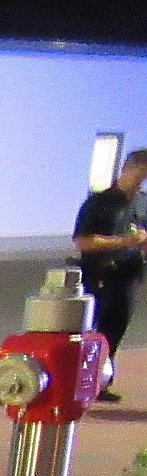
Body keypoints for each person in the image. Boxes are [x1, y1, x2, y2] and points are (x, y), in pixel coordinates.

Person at [73, 148, 147, 402]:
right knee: (91, 328)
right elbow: (83, 241)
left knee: (114, 329)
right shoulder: (100, 202)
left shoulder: (142, 202)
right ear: (129, 168)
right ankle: (78, 380)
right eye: (140, 174)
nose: (141, 182)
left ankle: (101, 381)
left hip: (130, 275)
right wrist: (124, 241)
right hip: (101, 273)